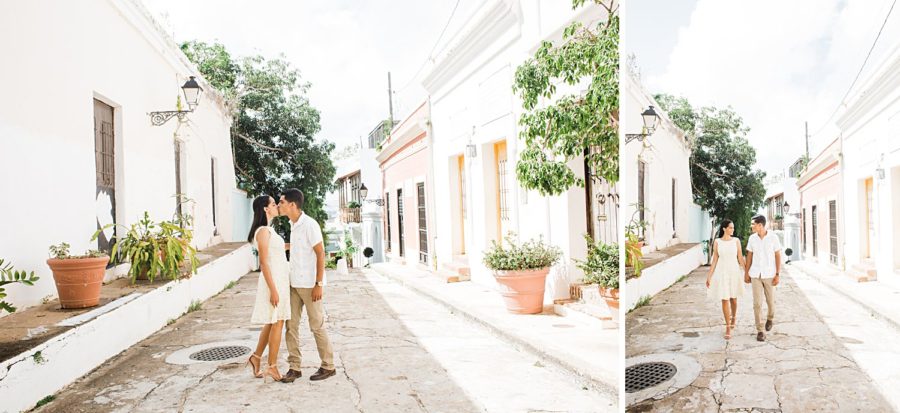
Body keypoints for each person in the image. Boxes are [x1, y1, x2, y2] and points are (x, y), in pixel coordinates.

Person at [278, 188, 336, 383]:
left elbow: (320, 253)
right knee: (291, 326)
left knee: (316, 326)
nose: (279, 205)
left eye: (282, 202)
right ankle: (294, 368)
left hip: (311, 285)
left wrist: (319, 283)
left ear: (292, 205)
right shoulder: (293, 224)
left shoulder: (310, 225)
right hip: (293, 284)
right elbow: (297, 249)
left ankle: (328, 366)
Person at [246, 195, 291, 382]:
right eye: (273, 204)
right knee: (278, 322)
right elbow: (264, 262)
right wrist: (273, 290)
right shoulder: (263, 231)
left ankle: (256, 358)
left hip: (280, 279)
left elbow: (278, 251)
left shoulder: (269, 230)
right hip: (273, 282)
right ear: (265, 209)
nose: (276, 206)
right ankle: (272, 366)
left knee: (272, 322)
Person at [706, 219, 746, 340]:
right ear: (724, 229)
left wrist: (747, 272)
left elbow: (740, 257)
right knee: (724, 299)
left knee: (733, 299)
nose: (732, 230)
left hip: (734, 272)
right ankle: (728, 326)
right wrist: (709, 276)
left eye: (733, 228)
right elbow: (714, 260)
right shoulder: (717, 242)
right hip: (721, 272)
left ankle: (733, 317)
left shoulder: (736, 241)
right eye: (730, 228)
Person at [745, 214, 782, 342]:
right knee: (757, 304)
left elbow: (778, 256)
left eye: (753, 224)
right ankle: (760, 330)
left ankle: (770, 318)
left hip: (770, 275)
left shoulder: (773, 237)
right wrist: (746, 273)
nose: (752, 226)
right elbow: (749, 256)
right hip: (755, 274)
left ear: (760, 225)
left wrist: (777, 274)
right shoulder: (752, 238)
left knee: (771, 302)